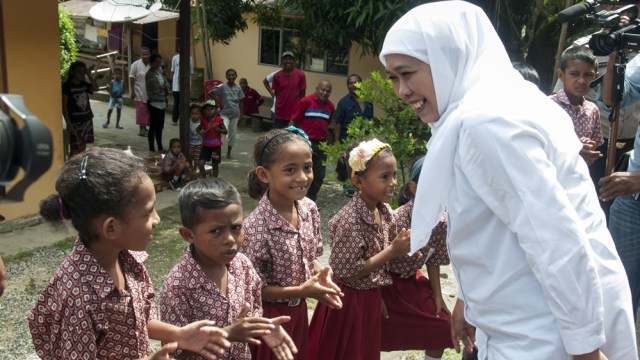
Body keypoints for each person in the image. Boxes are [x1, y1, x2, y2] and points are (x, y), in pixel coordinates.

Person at [380, 2, 636, 359]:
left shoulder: (487, 124)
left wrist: (586, 350)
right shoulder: (495, 103)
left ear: (450, 59)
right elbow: (493, 225)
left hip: (543, 329)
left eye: (408, 74)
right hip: (528, 315)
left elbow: (554, 238)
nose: (401, 90)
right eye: (394, 77)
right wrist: (469, 301)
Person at [30, 147, 231, 359]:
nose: (157, 219)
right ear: (111, 228)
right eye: (147, 212)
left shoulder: (128, 260)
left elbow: (138, 320)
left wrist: (179, 334)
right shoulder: (77, 297)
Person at [159, 178, 297, 360]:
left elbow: (253, 311)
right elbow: (173, 354)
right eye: (216, 231)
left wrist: (264, 327)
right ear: (188, 235)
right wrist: (226, 334)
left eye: (236, 227)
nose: (230, 239)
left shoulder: (243, 266)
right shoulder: (178, 287)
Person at [243, 128, 343, 360]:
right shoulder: (256, 228)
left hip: (297, 312)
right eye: (290, 170)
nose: (303, 177)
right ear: (264, 174)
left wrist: (321, 275)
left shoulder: (308, 208)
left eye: (307, 167)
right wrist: (303, 291)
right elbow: (253, 290)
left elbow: (310, 258)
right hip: (269, 319)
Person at [307, 139, 411, 360]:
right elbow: (348, 273)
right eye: (384, 177)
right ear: (358, 181)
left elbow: (380, 264)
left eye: (394, 175)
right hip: (350, 302)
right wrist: (392, 251)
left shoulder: (384, 212)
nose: (393, 182)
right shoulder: (350, 221)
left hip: (370, 298)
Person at [381, 156, 453, 358]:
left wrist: (438, 296)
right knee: (372, 331)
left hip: (412, 281)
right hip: (384, 284)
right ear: (414, 187)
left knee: (442, 325)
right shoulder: (396, 219)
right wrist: (376, 296)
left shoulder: (442, 222)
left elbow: (434, 260)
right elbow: (378, 259)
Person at [598, 50, 640, 321]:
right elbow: (613, 99)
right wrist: (615, 58)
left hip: (634, 184)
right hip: (631, 202)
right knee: (617, 298)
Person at [550, 47, 604, 166]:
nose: (581, 81)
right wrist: (574, 147)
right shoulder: (548, 105)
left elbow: (595, 143)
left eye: (588, 75)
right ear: (561, 75)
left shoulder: (592, 110)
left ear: (596, 77)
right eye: (574, 74)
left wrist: (590, 146)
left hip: (580, 174)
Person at [290, 80, 335, 201]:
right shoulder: (305, 102)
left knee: (319, 175)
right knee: (302, 172)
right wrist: (291, 138)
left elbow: (328, 123)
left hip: (322, 143)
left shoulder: (330, 106)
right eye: (322, 90)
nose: (325, 93)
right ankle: (297, 198)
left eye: (328, 91)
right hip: (306, 142)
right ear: (317, 88)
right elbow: (294, 120)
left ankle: (310, 200)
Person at [334, 74, 374, 196]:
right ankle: (348, 187)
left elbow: (370, 121)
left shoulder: (368, 102)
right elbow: (338, 123)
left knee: (363, 163)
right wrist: (337, 141)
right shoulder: (343, 102)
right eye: (350, 83)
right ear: (347, 85)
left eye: (356, 82)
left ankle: (361, 185)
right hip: (348, 139)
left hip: (364, 140)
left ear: (360, 83)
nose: (353, 85)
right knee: (349, 163)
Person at [62, 61, 98, 157]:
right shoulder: (66, 86)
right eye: (79, 72)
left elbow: (96, 88)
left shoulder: (84, 84)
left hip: (87, 119)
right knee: (75, 149)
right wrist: (68, 123)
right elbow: (64, 106)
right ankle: (70, 169)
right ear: (72, 72)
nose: (82, 74)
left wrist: (89, 74)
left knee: (83, 147)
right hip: (75, 122)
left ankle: (78, 169)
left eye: (83, 72)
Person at [210, 68, 244, 159]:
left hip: (235, 114)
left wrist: (241, 113)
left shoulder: (238, 88)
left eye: (233, 75)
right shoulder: (222, 86)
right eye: (229, 75)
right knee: (221, 132)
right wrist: (219, 103)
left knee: (232, 135)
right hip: (224, 114)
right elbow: (210, 93)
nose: (231, 76)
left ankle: (229, 153)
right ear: (226, 76)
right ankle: (215, 150)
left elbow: (241, 101)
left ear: (236, 76)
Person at [271, 52, 306, 129]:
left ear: (294, 61)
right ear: (282, 61)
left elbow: (302, 95)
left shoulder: (300, 75)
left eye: (290, 59)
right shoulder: (277, 76)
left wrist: (299, 112)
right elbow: (277, 93)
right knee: (279, 137)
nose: (288, 61)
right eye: (285, 59)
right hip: (280, 113)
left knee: (292, 138)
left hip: (294, 114)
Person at [145, 53, 170, 153]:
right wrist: (163, 86)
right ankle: (152, 148)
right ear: (151, 63)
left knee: (160, 127)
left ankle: (160, 147)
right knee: (153, 127)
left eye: (160, 62)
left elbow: (166, 84)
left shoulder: (159, 72)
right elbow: (156, 88)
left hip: (162, 102)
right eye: (156, 62)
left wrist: (163, 86)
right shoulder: (149, 74)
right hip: (154, 103)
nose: (158, 64)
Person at [198, 99, 227, 178]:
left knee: (215, 164)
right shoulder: (203, 120)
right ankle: (204, 179)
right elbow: (198, 129)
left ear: (216, 110)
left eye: (211, 109)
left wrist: (217, 129)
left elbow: (225, 131)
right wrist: (201, 132)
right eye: (207, 109)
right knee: (200, 164)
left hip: (216, 146)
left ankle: (214, 180)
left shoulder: (219, 120)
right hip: (206, 146)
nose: (209, 111)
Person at [130, 47, 151, 137]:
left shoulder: (152, 64)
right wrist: (132, 91)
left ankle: (146, 127)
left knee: (149, 110)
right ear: (140, 55)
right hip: (139, 91)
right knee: (141, 110)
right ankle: (141, 129)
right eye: (143, 54)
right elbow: (131, 77)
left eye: (147, 54)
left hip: (150, 92)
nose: (145, 56)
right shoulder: (135, 64)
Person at [170, 53, 194, 126]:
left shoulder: (190, 58)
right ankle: (174, 120)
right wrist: (174, 81)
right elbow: (173, 71)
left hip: (186, 85)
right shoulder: (175, 58)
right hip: (176, 85)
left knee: (185, 103)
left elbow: (191, 71)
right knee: (176, 102)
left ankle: (184, 120)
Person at [188, 103, 203, 172]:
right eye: (192, 113)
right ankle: (191, 167)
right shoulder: (188, 121)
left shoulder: (202, 122)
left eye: (196, 113)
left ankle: (194, 168)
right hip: (191, 143)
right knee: (190, 157)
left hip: (199, 144)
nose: (194, 115)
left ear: (200, 114)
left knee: (197, 158)